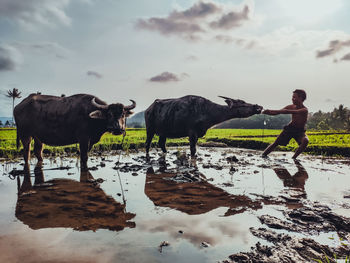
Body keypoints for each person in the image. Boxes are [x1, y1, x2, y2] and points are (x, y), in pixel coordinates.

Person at [262, 89, 309, 159]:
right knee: (276, 143)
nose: (292, 99)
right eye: (292, 97)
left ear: (301, 98)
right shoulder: (291, 106)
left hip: (300, 131)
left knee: (305, 141)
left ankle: (294, 158)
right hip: (290, 128)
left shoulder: (304, 110)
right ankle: (263, 155)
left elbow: (287, 111)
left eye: (294, 97)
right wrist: (268, 112)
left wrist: (271, 111)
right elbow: (278, 112)